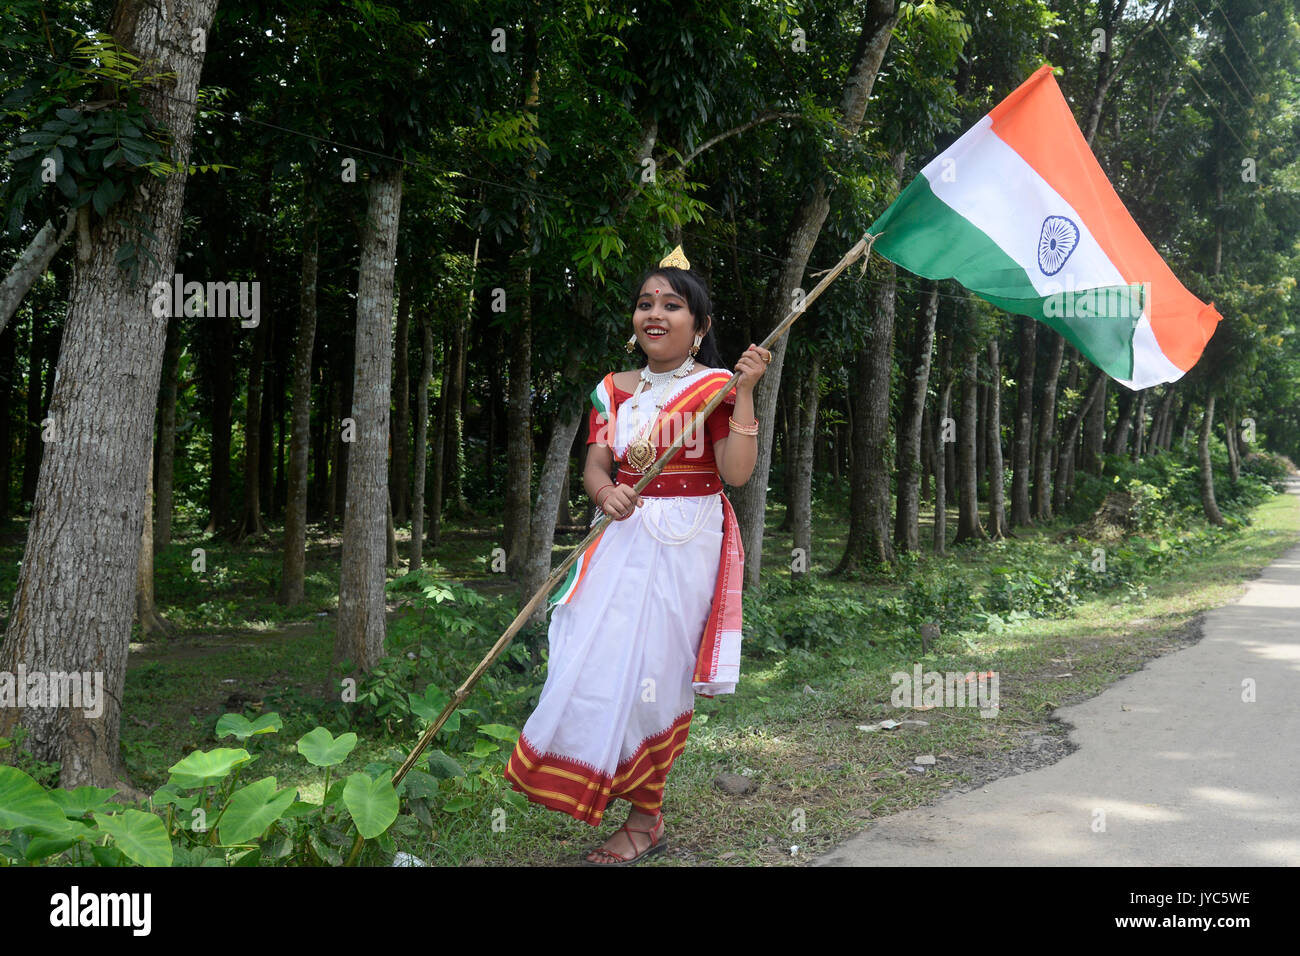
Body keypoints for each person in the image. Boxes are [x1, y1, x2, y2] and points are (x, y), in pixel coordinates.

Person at [503, 245, 772, 865]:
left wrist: (749, 392)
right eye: (646, 303)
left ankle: (644, 820)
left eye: (673, 306)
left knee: (656, 676)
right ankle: (590, 779)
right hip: (618, 536)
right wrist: (606, 492)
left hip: (685, 545)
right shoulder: (612, 390)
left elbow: (734, 473)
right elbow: (597, 463)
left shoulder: (716, 388)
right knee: (592, 658)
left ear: (699, 327)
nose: (655, 314)